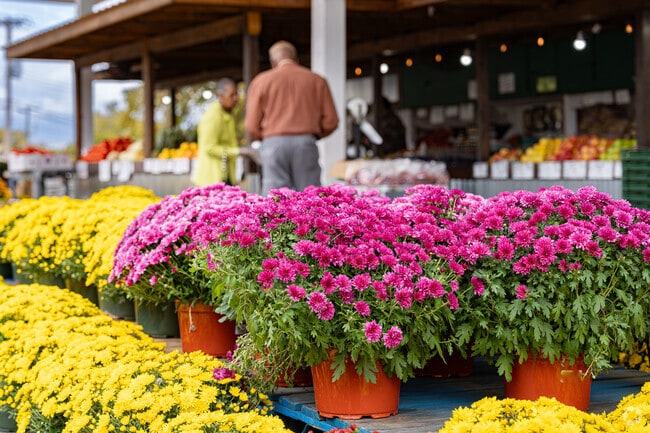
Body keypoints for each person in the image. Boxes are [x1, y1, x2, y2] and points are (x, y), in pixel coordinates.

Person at [245, 40, 339, 195]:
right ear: (296, 58)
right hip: (305, 144)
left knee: (276, 200)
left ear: (273, 61)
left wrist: (267, 138)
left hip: (273, 144)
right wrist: (311, 135)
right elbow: (331, 121)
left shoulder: (260, 81)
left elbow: (251, 124)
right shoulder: (317, 80)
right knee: (310, 197)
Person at [194, 78, 258, 186]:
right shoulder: (213, 116)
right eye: (232, 95)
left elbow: (227, 142)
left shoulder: (227, 114)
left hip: (225, 174)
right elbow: (209, 147)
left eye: (236, 94)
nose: (236, 98)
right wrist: (238, 151)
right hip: (212, 179)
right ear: (220, 96)